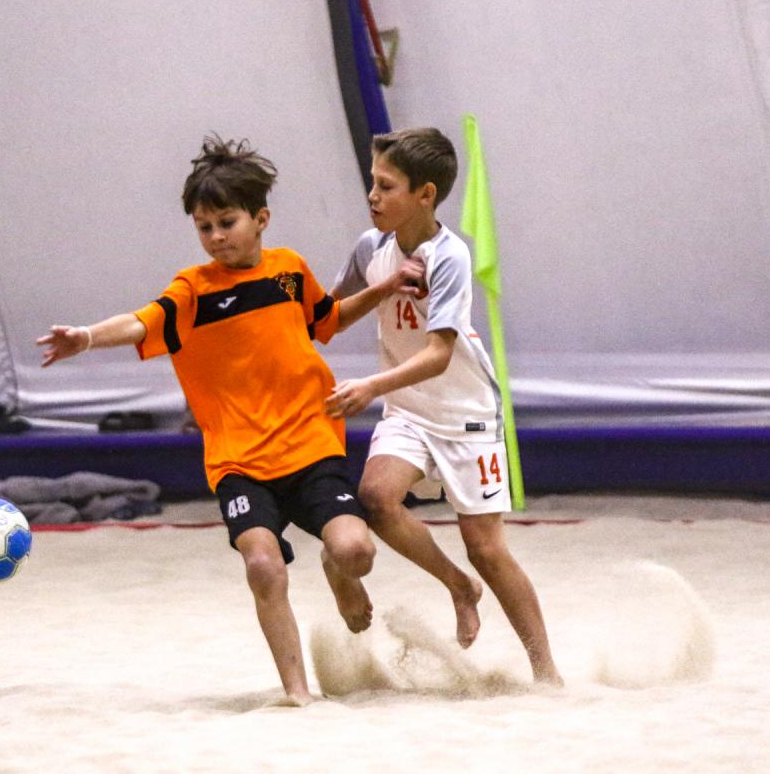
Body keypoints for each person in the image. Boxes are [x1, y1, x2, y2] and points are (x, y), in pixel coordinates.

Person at [37, 135, 425, 705]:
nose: (216, 236)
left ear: (260, 219)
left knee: (355, 551)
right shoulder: (192, 292)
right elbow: (141, 323)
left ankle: (338, 573)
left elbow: (328, 320)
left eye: (227, 222)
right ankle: (298, 693)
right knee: (263, 564)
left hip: (311, 445)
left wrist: (385, 286)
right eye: (204, 227)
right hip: (239, 462)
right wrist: (87, 337)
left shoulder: (289, 271)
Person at [328, 127, 563, 685]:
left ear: (425, 194)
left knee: (486, 548)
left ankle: (547, 672)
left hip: (466, 415)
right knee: (376, 499)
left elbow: (438, 356)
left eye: (387, 186)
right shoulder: (370, 248)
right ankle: (458, 586)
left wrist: (371, 386)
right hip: (408, 411)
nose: (373, 195)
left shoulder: (450, 256)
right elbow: (325, 317)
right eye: (372, 182)